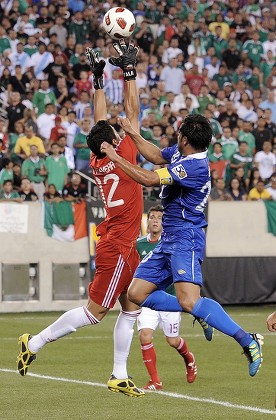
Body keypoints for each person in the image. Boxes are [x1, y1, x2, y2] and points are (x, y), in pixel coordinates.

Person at [16, 41, 145, 398]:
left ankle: (119, 373)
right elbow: (132, 114)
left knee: (131, 308)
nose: (122, 134)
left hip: (123, 245)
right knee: (94, 313)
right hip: (118, 246)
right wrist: (129, 72)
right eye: (117, 136)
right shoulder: (122, 153)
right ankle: (36, 342)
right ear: (112, 144)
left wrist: (100, 78)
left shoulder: (100, 159)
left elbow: (101, 122)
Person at [101, 113, 264, 378]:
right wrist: (132, 132)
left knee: (189, 300)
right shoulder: (183, 153)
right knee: (136, 294)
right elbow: (155, 155)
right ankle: (201, 310)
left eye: (179, 133)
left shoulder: (195, 167)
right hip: (170, 237)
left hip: (186, 238)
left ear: (185, 139)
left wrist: (116, 157)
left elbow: (150, 179)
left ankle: (248, 341)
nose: (176, 136)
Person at [137, 205, 198, 390]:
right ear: (147, 221)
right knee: (145, 336)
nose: (155, 220)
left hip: (169, 298)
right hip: (148, 299)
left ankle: (189, 358)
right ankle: (155, 380)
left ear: (165, 223)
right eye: (152, 217)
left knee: (172, 341)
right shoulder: (139, 244)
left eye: (159, 218)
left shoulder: (171, 244)